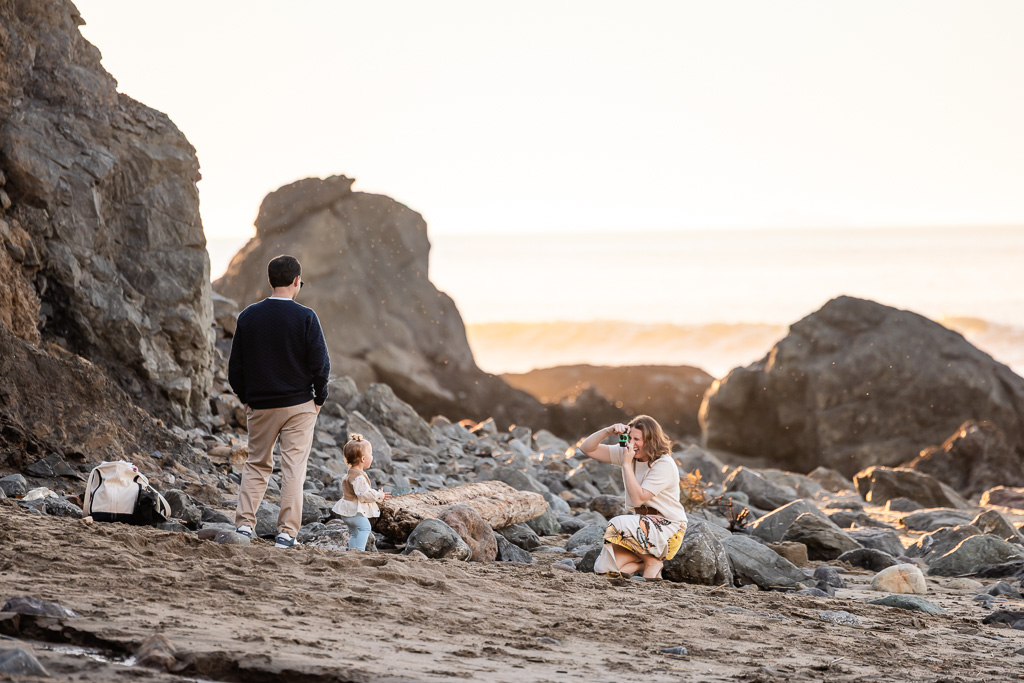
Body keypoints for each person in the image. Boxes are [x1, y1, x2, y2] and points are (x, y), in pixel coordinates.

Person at [228, 254, 331, 549]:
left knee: (257, 465)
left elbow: (236, 368)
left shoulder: (249, 316)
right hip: (300, 405)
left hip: (261, 405)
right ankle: (287, 533)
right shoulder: (306, 317)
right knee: (294, 468)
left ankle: (245, 526)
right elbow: (320, 364)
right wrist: (319, 398)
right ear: (297, 281)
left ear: (270, 280)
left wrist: (247, 398)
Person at [578, 415, 687, 580]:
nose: (631, 443)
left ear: (651, 441)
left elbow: (638, 499)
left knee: (616, 524)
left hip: (668, 527)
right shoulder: (629, 453)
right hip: (640, 530)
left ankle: (652, 561)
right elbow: (586, 449)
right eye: (629, 438)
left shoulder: (663, 464)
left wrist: (627, 464)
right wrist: (608, 431)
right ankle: (645, 563)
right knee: (603, 569)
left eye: (637, 439)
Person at [331, 434, 391, 550]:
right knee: (366, 528)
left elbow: (361, 490)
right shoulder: (358, 476)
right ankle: (359, 550)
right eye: (371, 454)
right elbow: (364, 494)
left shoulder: (351, 472)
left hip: (346, 512)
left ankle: (353, 551)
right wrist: (379, 495)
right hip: (353, 512)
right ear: (363, 459)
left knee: (355, 533)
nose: (372, 457)